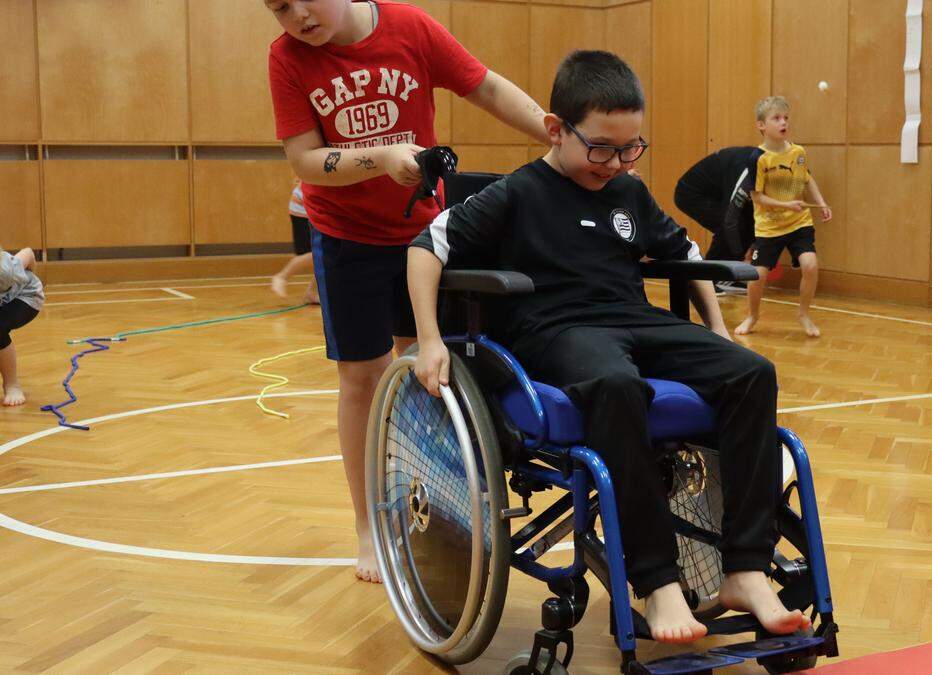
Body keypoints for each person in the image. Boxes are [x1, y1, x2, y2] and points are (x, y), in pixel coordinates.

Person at [408, 50, 810, 645]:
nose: (616, 162)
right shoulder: (517, 195)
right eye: (601, 148)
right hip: (554, 328)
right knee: (617, 386)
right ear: (555, 129)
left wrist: (719, 331)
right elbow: (425, 247)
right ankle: (657, 582)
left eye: (630, 148)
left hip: (632, 319)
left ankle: (745, 569)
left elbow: (684, 256)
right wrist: (429, 339)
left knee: (750, 371)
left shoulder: (628, 191)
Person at [264, 0, 549, 583]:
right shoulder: (287, 59)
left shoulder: (409, 26)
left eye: (300, 1)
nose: (295, 17)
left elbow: (486, 87)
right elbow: (306, 160)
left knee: (428, 365)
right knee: (361, 378)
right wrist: (382, 156)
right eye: (278, 9)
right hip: (346, 240)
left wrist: (554, 131)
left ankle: (439, 503)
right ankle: (369, 526)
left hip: (425, 234)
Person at [735, 96, 832, 337]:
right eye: (776, 118)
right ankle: (752, 316)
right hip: (769, 227)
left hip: (799, 223)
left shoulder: (798, 152)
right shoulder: (758, 158)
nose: (783, 122)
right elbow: (756, 197)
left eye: (786, 118)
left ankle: (803, 314)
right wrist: (786, 204)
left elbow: (807, 179)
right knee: (757, 275)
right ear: (761, 126)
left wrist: (821, 203)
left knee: (810, 265)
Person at [673, 146, 763, 294]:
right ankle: (707, 280)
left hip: (717, 194)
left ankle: (728, 277)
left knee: (747, 222)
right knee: (729, 225)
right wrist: (740, 256)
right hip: (690, 192)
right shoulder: (749, 169)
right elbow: (730, 221)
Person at [0, 246, 44, 407]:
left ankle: (12, 385)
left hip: (27, 296)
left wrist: (29, 275)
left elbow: (28, 253)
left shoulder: (5, 271)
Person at [270, 178, 320, 305]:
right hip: (305, 210)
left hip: (315, 208)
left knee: (326, 256)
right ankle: (282, 277)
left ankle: (313, 292)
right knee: (315, 254)